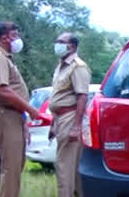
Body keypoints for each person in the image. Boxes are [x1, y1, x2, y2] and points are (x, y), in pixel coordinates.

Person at [0, 21, 40, 197]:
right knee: (11, 167)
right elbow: (3, 90)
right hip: (4, 115)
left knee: (15, 165)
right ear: (4, 37)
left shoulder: (4, 57)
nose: (18, 39)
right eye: (15, 35)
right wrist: (30, 109)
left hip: (11, 115)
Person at [49, 33, 91, 197]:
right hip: (60, 118)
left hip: (70, 117)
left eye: (61, 42)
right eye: (57, 41)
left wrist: (76, 126)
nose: (57, 44)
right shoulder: (61, 66)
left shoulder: (78, 67)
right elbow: (58, 96)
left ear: (72, 46)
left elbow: (82, 96)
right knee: (72, 169)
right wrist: (53, 123)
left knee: (64, 167)